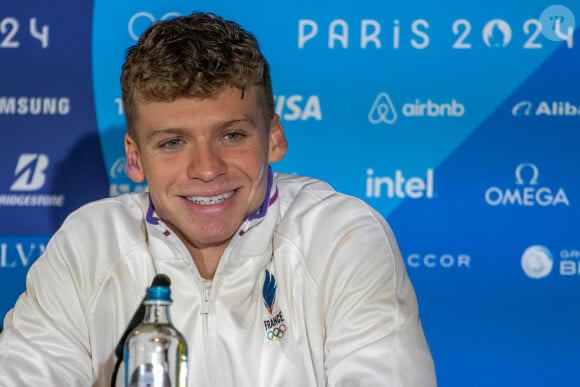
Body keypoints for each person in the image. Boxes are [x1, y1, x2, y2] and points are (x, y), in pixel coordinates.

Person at [0, 12, 436, 386]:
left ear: (274, 138)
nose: (207, 168)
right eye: (173, 142)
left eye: (231, 135)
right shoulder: (88, 244)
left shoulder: (342, 237)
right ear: (134, 159)